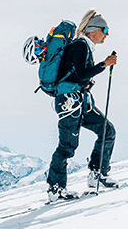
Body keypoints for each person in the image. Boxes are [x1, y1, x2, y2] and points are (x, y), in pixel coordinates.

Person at [46, 10, 119, 200]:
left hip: (78, 101)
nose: (107, 34)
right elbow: (81, 74)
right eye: (105, 29)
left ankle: (98, 174)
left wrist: (87, 83)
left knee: (107, 131)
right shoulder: (79, 46)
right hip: (69, 103)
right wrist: (104, 64)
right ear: (93, 30)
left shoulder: (84, 47)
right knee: (67, 146)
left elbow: (78, 76)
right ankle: (55, 188)